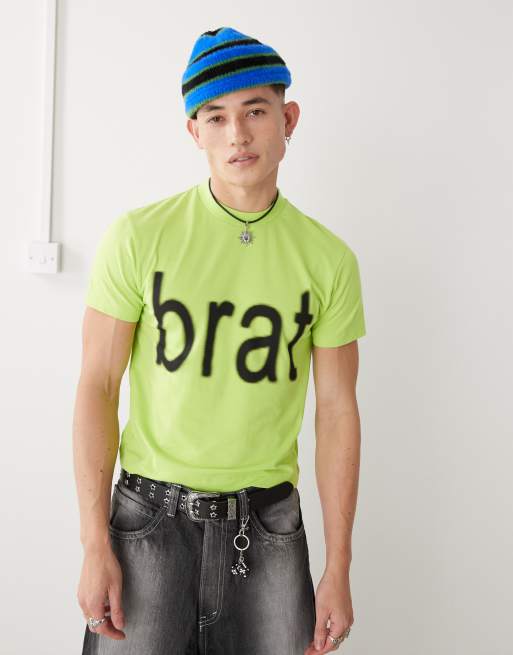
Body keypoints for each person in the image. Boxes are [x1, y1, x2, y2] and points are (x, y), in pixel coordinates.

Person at [74, 26, 366, 655]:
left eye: (255, 111)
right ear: (195, 131)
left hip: (269, 528)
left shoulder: (329, 260)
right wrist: (94, 543)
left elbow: (338, 409)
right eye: (216, 117)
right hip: (147, 520)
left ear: (288, 119)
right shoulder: (138, 237)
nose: (237, 134)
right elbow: (98, 385)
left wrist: (339, 565)